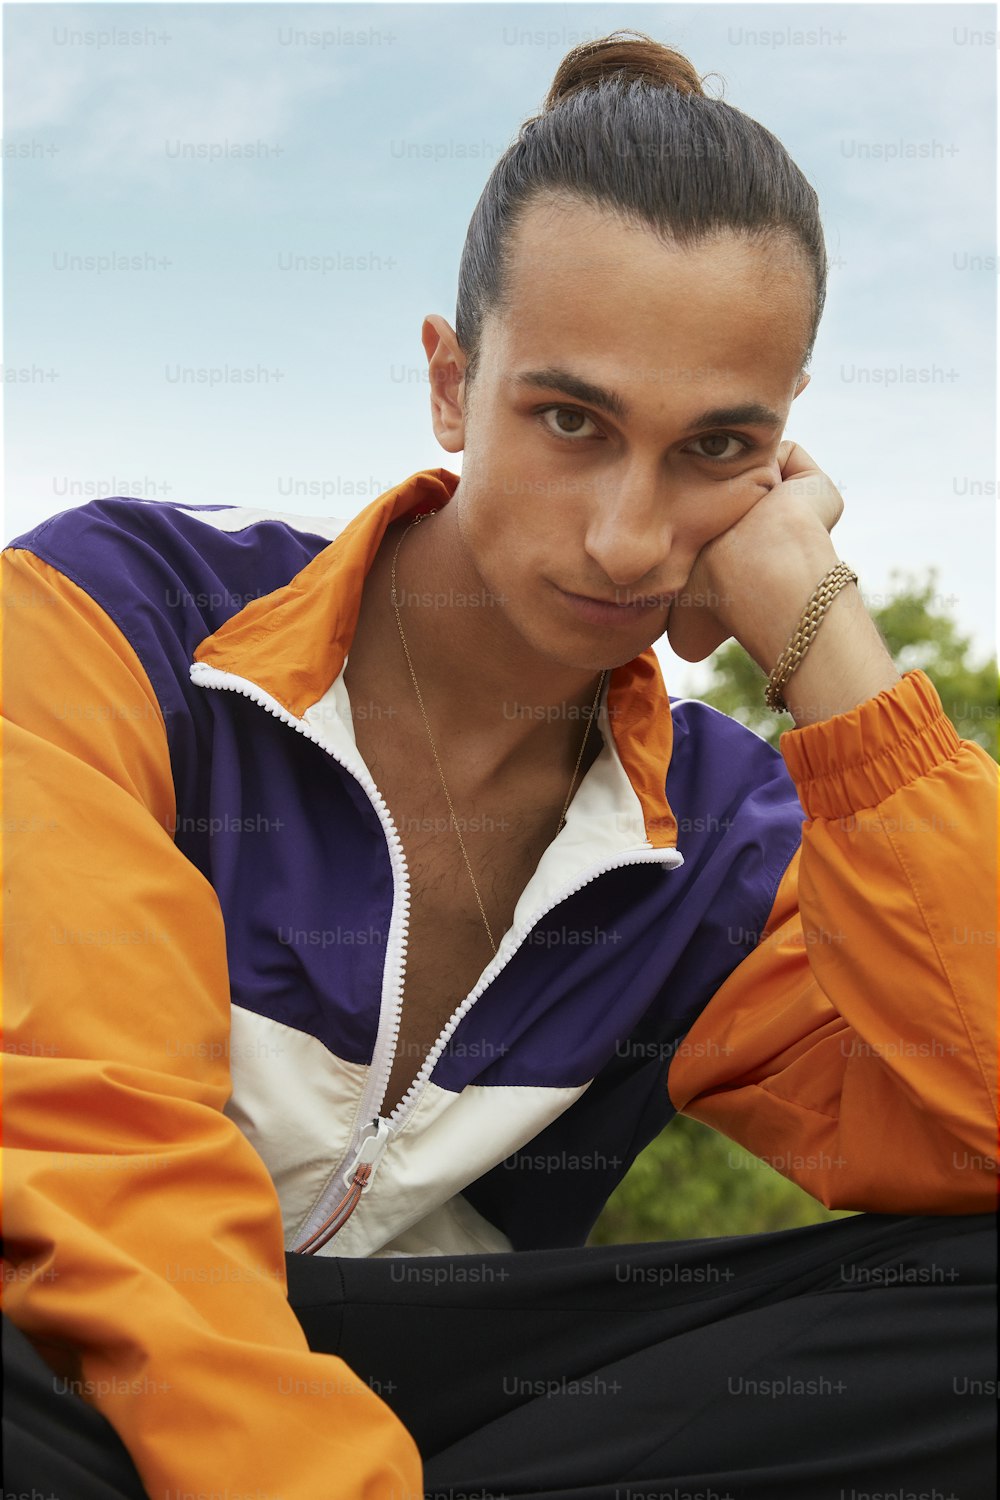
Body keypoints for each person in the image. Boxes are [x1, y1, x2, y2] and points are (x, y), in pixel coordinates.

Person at [2, 28, 996, 1500]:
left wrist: (830, 649)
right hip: (66, 1346)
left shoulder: (722, 839)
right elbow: (90, 1148)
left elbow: (974, 1125)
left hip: (442, 1404)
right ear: (449, 381)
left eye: (716, 447)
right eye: (570, 421)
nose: (626, 536)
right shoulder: (121, 617)